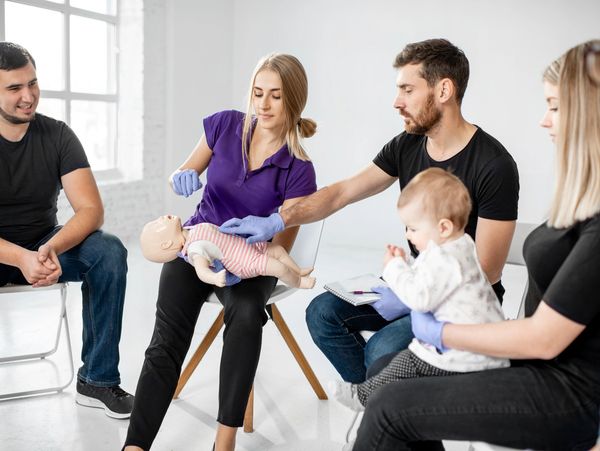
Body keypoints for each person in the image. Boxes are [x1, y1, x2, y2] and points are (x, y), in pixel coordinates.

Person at [220, 38, 520, 383]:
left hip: (461, 306)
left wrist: (412, 297)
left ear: (443, 90)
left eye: (408, 90)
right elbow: (342, 193)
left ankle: (386, 411)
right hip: (417, 282)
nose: (397, 102)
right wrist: (280, 218)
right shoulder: (407, 145)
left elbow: (485, 272)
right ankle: (387, 408)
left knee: (380, 350)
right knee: (322, 314)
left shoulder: (494, 164)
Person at [350, 39, 600, 450]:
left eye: (555, 106)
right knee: (386, 368)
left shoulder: (498, 166)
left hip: (565, 392)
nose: (544, 120)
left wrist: (443, 332)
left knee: (390, 405)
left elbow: (543, 337)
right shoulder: (582, 201)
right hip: (536, 364)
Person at [123, 53, 318, 451]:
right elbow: (186, 170)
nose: (262, 105)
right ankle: (136, 445)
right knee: (167, 337)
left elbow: (282, 246)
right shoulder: (225, 125)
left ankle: (224, 439)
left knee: (246, 314)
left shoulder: (299, 167)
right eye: (257, 93)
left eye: (275, 97)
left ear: (294, 101)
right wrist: (182, 177)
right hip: (197, 243)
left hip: (251, 260)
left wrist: (249, 261)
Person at [0, 42, 133, 418]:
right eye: (14, 88)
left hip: (45, 246)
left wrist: (49, 249)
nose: (28, 96)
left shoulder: (57, 135)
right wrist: (20, 258)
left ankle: (98, 380)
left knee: (108, 252)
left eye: (33, 84)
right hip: (7, 252)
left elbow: (91, 210)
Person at [329, 168, 508, 413]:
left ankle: (366, 399)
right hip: (478, 348)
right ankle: (376, 407)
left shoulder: (445, 259)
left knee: (407, 362)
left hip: (462, 356)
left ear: (443, 227)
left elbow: (419, 298)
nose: (407, 235)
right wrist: (407, 265)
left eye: (413, 229)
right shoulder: (460, 245)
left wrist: (394, 268)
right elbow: (431, 279)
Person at [139, 214, 315, 288]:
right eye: (157, 225)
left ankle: (298, 270)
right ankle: (299, 282)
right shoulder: (194, 249)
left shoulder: (193, 229)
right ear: (167, 244)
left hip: (247, 245)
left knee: (278, 250)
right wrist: (214, 278)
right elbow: (201, 270)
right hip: (244, 262)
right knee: (278, 268)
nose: (160, 218)